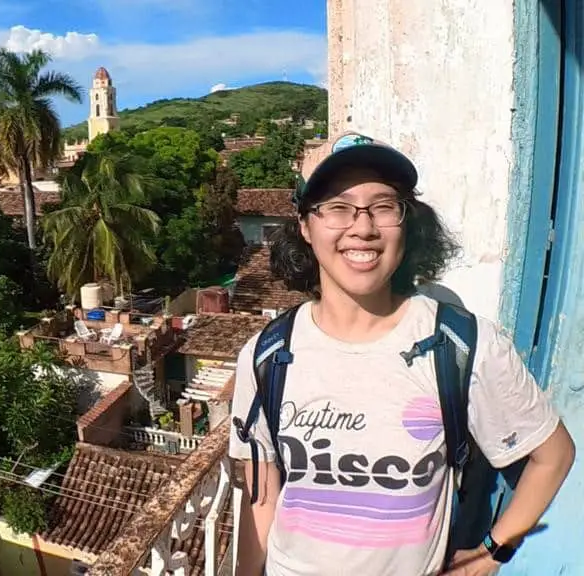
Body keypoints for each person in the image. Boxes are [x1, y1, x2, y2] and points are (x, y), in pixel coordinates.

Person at [228, 132, 575, 576]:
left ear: (406, 223)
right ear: (305, 226)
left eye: (383, 206)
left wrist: (491, 553)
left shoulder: (463, 345)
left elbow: (553, 454)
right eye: (338, 207)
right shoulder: (267, 355)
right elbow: (263, 499)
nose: (364, 227)